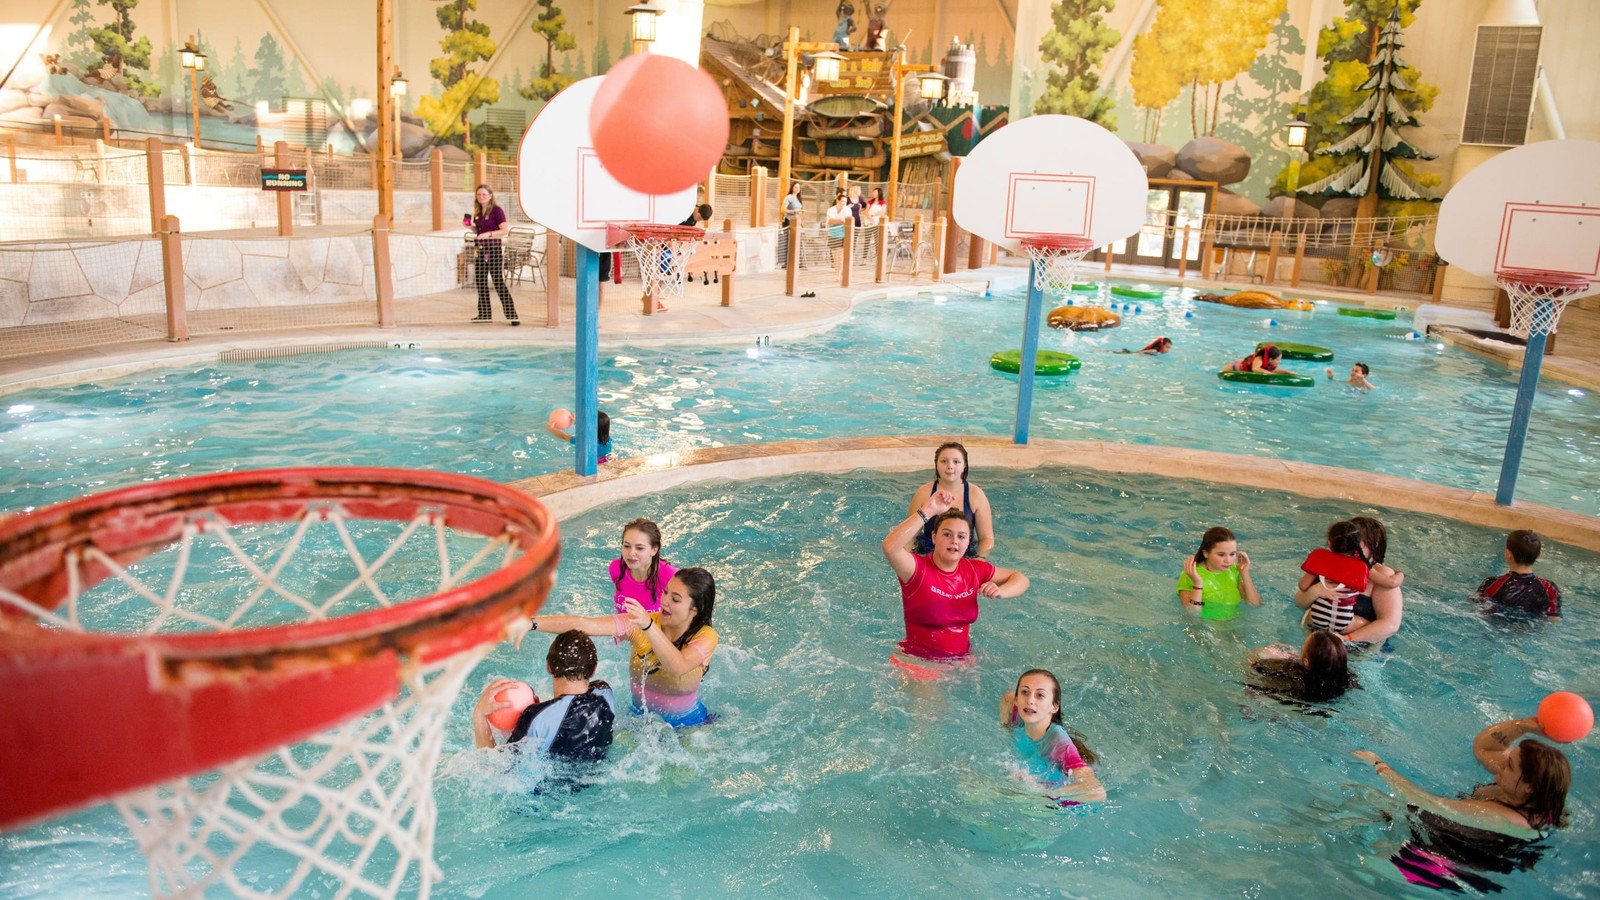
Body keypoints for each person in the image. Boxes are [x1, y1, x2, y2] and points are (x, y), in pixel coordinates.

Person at [526, 567, 719, 727]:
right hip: (639, 720)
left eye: (675, 599)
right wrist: (531, 623)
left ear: (694, 610)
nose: (665, 601)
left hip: (689, 724)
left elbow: (677, 667)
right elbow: (583, 624)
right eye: (666, 591)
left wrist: (648, 627)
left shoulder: (705, 637)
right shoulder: (640, 623)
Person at [1354, 715, 1570, 838]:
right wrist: (1521, 726)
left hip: (1438, 860)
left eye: (1510, 764)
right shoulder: (1529, 793)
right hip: (1447, 826)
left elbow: (1425, 801)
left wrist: (1377, 764)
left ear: (1528, 787)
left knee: (1361, 801)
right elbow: (1485, 748)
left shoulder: (1500, 818)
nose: (1502, 763)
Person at [882, 488, 1029, 661]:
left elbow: (1021, 579)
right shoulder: (916, 569)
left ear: (968, 542)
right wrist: (928, 510)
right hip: (920, 663)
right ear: (934, 537)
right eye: (947, 534)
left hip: (963, 661)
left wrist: (1001, 591)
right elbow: (890, 547)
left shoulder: (974, 569)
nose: (954, 541)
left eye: (961, 536)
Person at [472, 630, 615, 764]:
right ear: (594, 669)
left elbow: (497, 768)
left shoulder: (535, 717)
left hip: (549, 789)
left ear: (548, 667)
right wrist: (541, 709)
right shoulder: (605, 692)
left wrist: (479, 715)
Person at [1000, 669, 1105, 803]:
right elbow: (1007, 698)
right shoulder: (1014, 710)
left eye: (1040, 695)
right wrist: (1006, 730)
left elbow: (1096, 792)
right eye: (1025, 692)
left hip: (1059, 801)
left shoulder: (1059, 742)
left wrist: (1042, 793)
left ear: (1054, 707)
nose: (1030, 700)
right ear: (1017, 700)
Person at [906, 441, 994, 558]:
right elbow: (910, 534)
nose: (950, 466)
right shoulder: (923, 493)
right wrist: (907, 558)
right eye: (944, 461)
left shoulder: (976, 495)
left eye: (956, 462)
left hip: (964, 555)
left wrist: (979, 562)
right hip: (929, 553)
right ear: (936, 464)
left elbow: (986, 538)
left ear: (964, 466)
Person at [1176, 526, 1261, 621]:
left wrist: (1245, 573)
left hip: (1234, 625)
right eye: (1221, 555)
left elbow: (1255, 605)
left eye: (1232, 554)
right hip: (1208, 627)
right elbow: (1192, 615)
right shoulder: (1191, 573)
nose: (1228, 560)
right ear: (1206, 553)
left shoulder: (1233, 570)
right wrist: (1198, 584)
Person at [1247, 631, 1353, 703]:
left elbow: (1252, 663)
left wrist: (1270, 655)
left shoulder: (1291, 673)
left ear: (1306, 663)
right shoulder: (1346, 680)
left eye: (1303, 646)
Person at [1476, 529, 1561, 619]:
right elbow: (1554, 619)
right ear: (1539, 555)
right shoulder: (1550, 588)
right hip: (1531, 629)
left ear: (1507, 554)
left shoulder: (1490, 583)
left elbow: (1475, 609)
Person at [468, 184, 519, 326]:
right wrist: (471, 227)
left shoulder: (497, 211)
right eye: (479, 194)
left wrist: (488, 234)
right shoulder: (477, 212)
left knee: (497, 282)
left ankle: (512, 315)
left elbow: (504, 230)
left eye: (484, 194)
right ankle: (484, 314)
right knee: (481, 282)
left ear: (490, 196)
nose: (481, 197)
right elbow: (479, 233)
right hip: (479, 250)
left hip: (493, 250)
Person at [609, 518, 677, 614]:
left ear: (654, 550)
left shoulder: (671, 576)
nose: (631, 553)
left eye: (640, 548)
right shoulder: (616, 568)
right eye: (627, 546)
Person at [546, 410, 612, 463]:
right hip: (606, 459)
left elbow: (564, 436)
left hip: (593, 463)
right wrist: (575, 420)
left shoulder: (584, 441)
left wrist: (551, 429)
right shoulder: (607, 438)